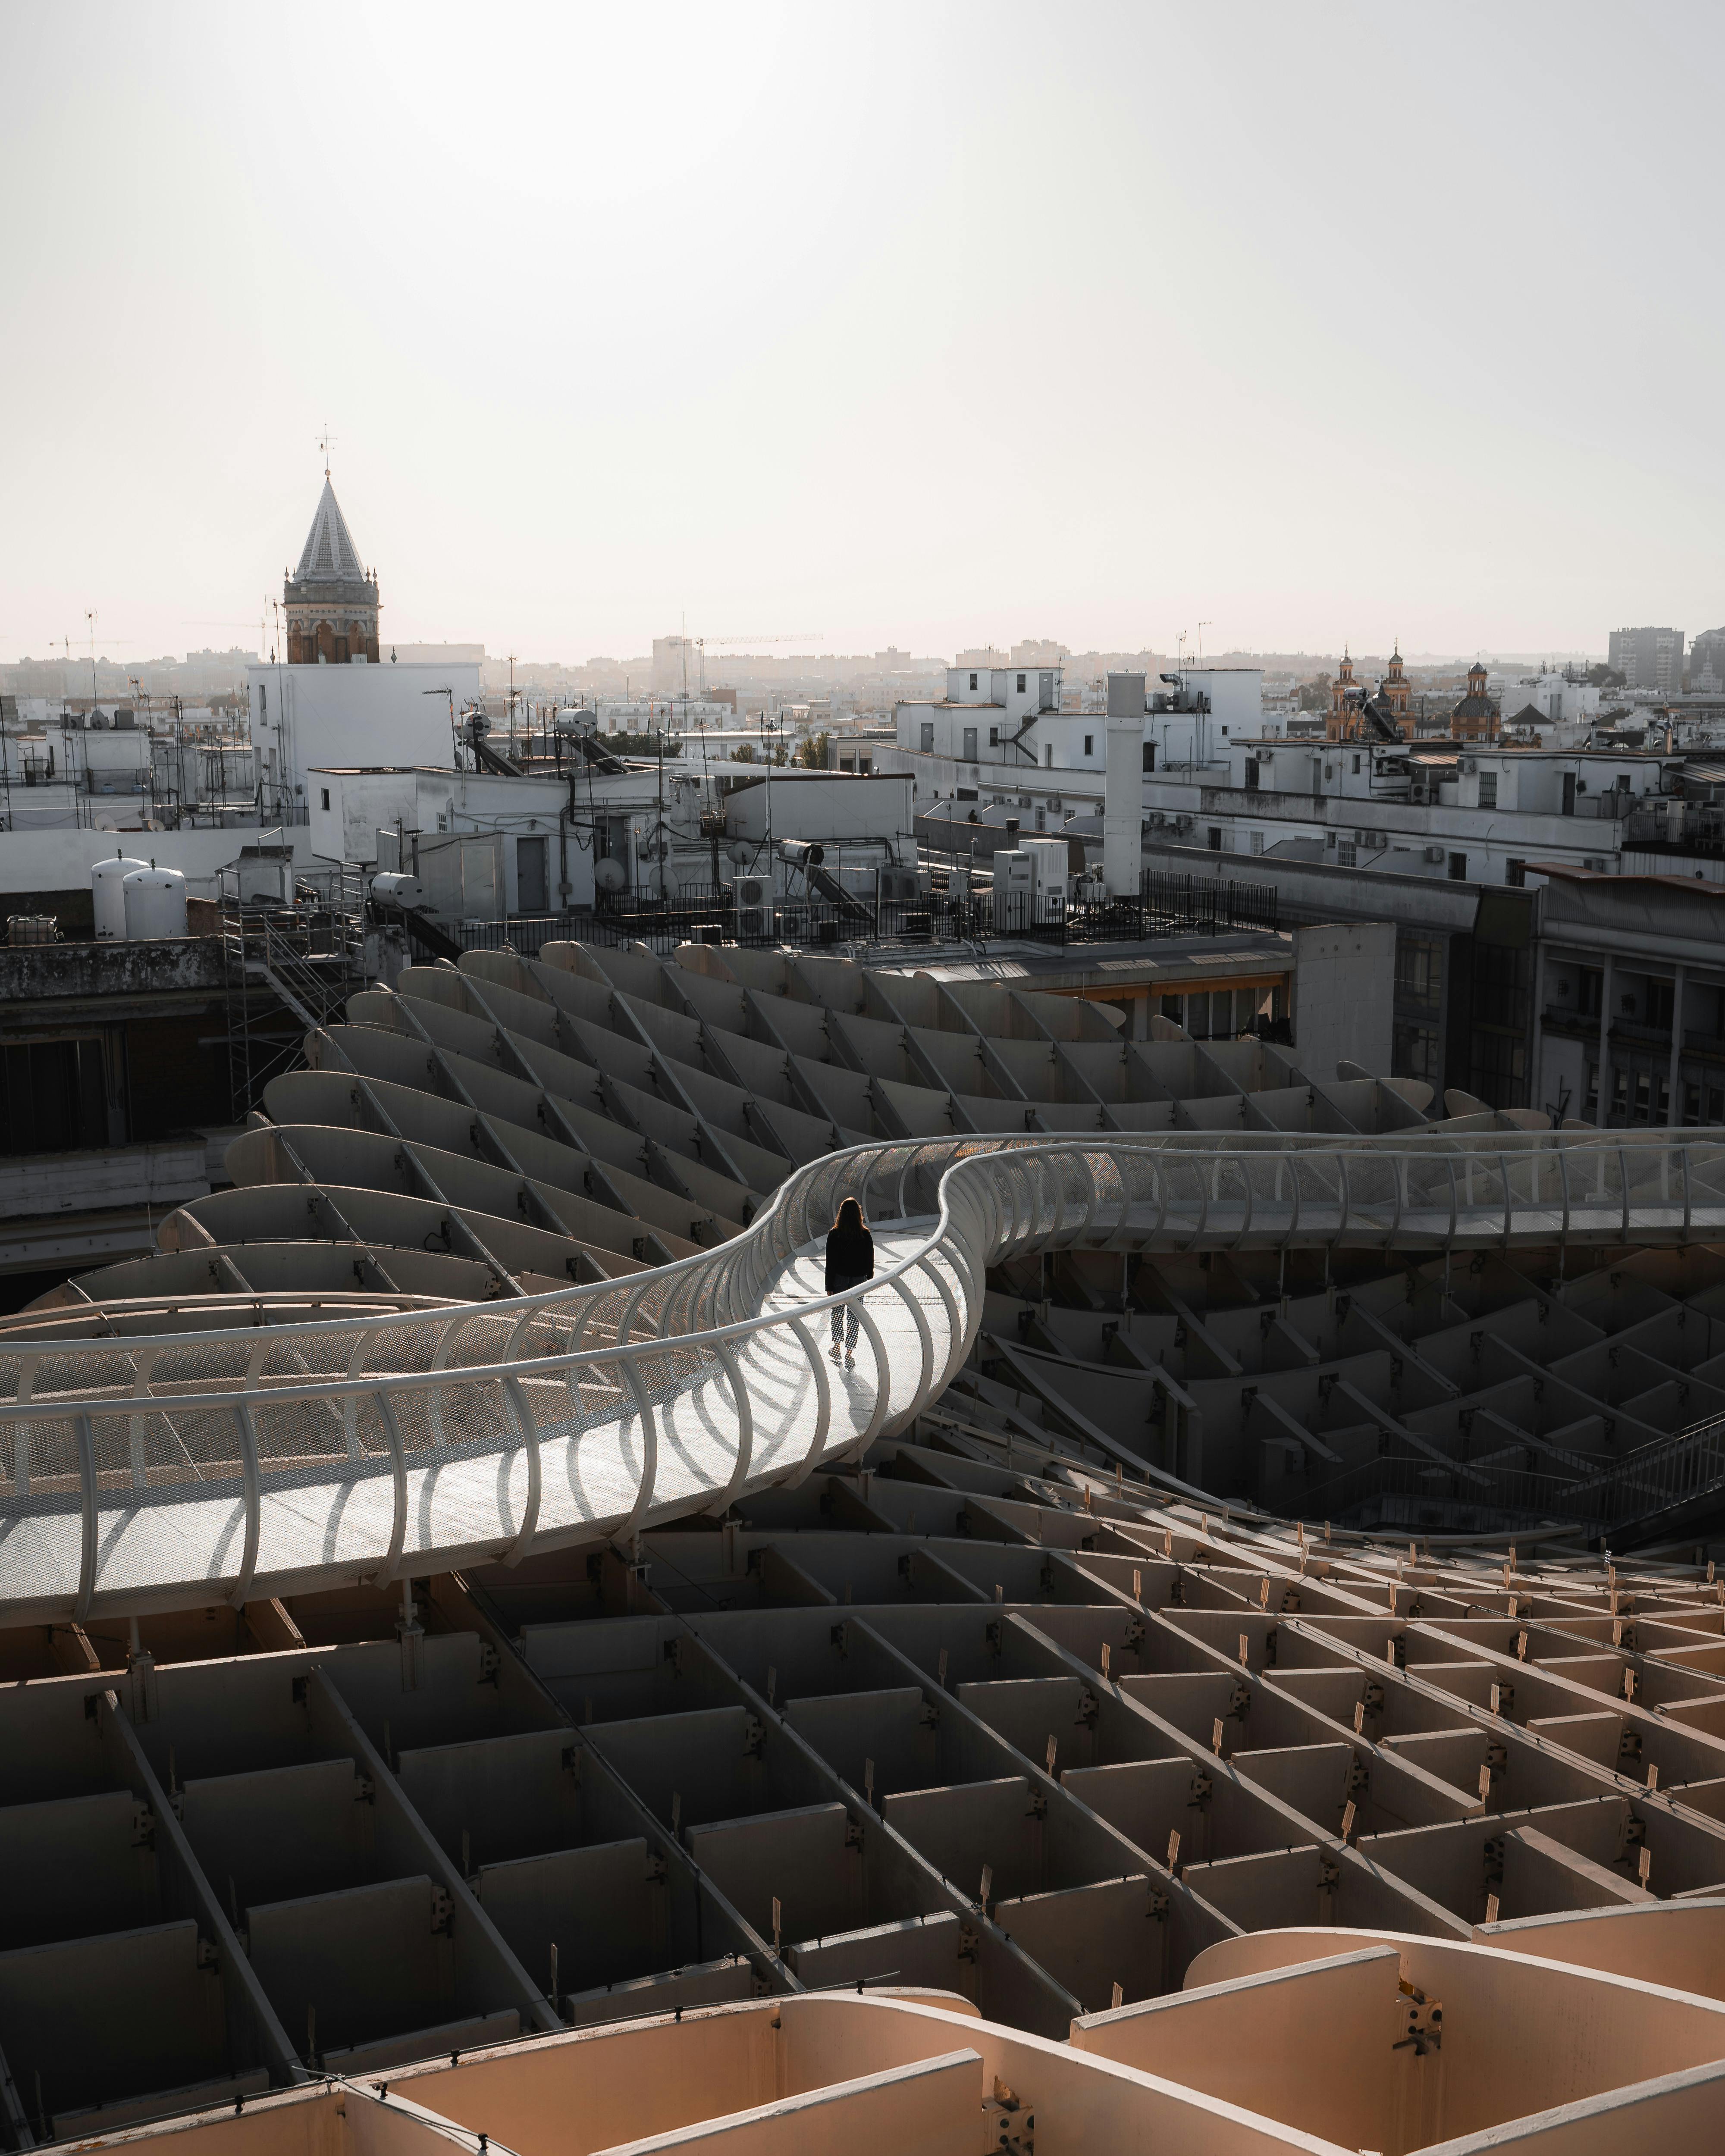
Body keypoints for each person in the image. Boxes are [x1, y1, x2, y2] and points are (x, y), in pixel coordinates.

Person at [824, 1195, 874, 1367]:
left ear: (841, 1214)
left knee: (837, 1313)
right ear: (858, 1214)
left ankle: (837, 1346)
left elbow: (830, 1263)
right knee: (854, 1316)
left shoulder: (834, 1235)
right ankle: (850, 1351)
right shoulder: (865, 1235)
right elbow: (870, 1261)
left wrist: (829, 1286)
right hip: (860, 1279)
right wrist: (870, 1279)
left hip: (839, 1279)